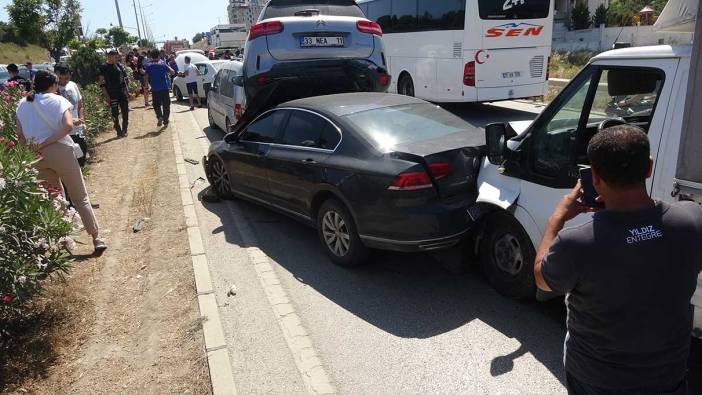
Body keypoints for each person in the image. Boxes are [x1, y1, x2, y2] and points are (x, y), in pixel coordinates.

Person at [534, 125, 702, 395]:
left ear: (595, 177)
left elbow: (543, 280)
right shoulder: (692, 218)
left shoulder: (576, 242)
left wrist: (556, 221)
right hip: (669, 374)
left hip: (598, 380)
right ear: (648, 168)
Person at [15, 70, 107, 253]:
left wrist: (31, 150)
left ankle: (62, 240)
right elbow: (68, 126)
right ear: (54, 85)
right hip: (59, 151)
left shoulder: (22, 104)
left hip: (35, 155)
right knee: (79, 196)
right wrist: (48, 141)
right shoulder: (58, 100)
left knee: (54, 198)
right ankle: (96, 238)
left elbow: (20, 135)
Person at [54, 63, 88, 166]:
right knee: (68, 162)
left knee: (82, 155)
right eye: (60, 78)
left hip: (77, 129)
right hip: (63, 132)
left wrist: (82, 121)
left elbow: (80, 105)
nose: (63, 81)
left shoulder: (73, 85)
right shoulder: (52, 89)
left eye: (66, 78)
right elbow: (55, 113)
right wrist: (72, 120)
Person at [98, 50, 130, 137]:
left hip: (121, 92)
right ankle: (118, 130)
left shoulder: (119, 65)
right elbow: (101, 82)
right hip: (111, 93)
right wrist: (106, 95)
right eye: (115, 57)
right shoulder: (103, 67)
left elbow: (124, 79)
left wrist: (127, 90)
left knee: (125, 111)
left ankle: (125, 129)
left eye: (117, 57)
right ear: (109, 56)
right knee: (115, 113)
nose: (117, 58)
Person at [144, 49, 175, 127]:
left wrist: (147, 86)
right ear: (158, 55)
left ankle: (159, 116)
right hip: (164, 88)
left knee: (156, 105)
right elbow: (172, 72)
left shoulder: (148, 65)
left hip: (155, 89)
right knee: (166, 104)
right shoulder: (162, 63)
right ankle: (165, 120)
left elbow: (146, 76)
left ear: (151, 56)